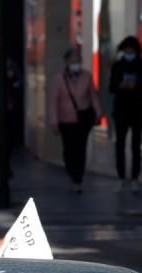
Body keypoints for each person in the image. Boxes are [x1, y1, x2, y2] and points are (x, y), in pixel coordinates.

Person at [49, 47, 102, 193]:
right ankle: (71, 172)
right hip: (65, 120)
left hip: (82, 119)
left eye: (78, 60)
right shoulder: (59, 79)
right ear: (66, 62)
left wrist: (98, 112)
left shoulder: (87, 76)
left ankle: (77, 179)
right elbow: (54, 101)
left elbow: (93, 96)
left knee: (80, 149)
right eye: (73, 61)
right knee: (68, 150)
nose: (76, 63)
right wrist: (54, 121)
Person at [109, 36, 142, 192]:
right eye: (126, 51)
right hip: (121, 108)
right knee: (119, 143)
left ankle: (135, 177)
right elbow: (111, 87)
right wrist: (121, 85)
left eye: (131, 51)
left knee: (136, 143)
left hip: (138, 108)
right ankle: (121, 176)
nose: (129, 53)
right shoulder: (117, 66)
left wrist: (136, 86)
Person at [0, 41, 21, 179]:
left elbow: (19, 82)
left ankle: (5, 165)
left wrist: (10, 80)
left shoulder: (9, 65)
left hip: (7, 108)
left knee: (8, 139)